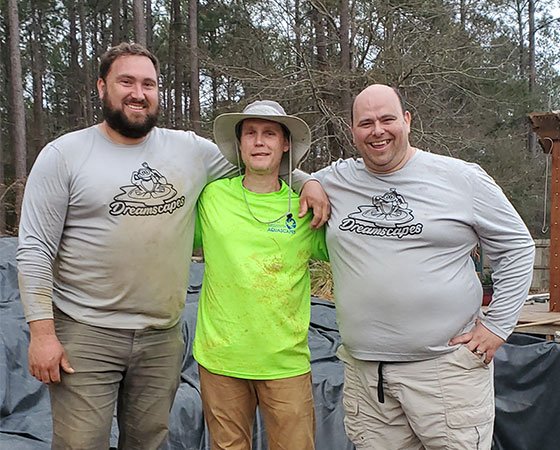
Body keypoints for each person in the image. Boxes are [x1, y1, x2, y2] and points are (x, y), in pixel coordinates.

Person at [16, 43, 329, 450]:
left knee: (149, 441)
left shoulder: (188, 151)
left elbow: (261, 164)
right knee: (81, 443)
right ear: (101, 87)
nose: (138, 92)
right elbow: (35, 248)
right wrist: (41, 333)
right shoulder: (64, 155)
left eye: (148, 83)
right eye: (125, 81)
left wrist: (311, 182)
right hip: (87, 331)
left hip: (160, 338)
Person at [312, 84, 535, 450]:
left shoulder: (461, 178)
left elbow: (517, 247)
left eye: (387, 119)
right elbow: (281, 175)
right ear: (353, 130)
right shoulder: (338, 179)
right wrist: (312, 183)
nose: (377, 130)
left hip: (446, 373)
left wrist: (497, 326)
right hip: (368, 381)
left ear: (407, 121)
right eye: (365, 123)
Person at [192, 100, 328, 450]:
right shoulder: (211, 197)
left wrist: (311, 181)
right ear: (239, 144)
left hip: (285, 363)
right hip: (221, 358)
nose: (259, 141)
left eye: (270, 133)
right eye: (250, 133)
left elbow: (351, 253)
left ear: (286, 144)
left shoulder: (305, 207)